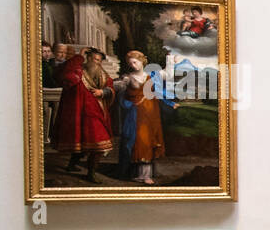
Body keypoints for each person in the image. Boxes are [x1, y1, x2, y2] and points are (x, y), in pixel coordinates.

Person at [112, 50, 177, 184]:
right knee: (139, 141)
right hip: (135, 115)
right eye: (130, 63)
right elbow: (117, 92)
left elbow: (167, 75)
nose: (133, 65)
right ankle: (138, 174)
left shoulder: (152, 75)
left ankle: (145, 174)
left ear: (142, 61)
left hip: (151, 114)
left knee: (149, 140)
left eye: (135, 62)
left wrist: (170, 59)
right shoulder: (127, 78)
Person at [51, 48, 114, 182]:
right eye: (94, 59)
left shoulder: (102, 74)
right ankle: (74, 166)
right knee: (81, 143)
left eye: (99, 60)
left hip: (96, 114)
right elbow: (62, 76)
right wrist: (79, 56)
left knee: (99, 145)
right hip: (79, 114)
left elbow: (110, 87)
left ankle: (91, 172)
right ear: (88, 58)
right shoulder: (77, 71)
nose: (97, 63)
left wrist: (102, 92)